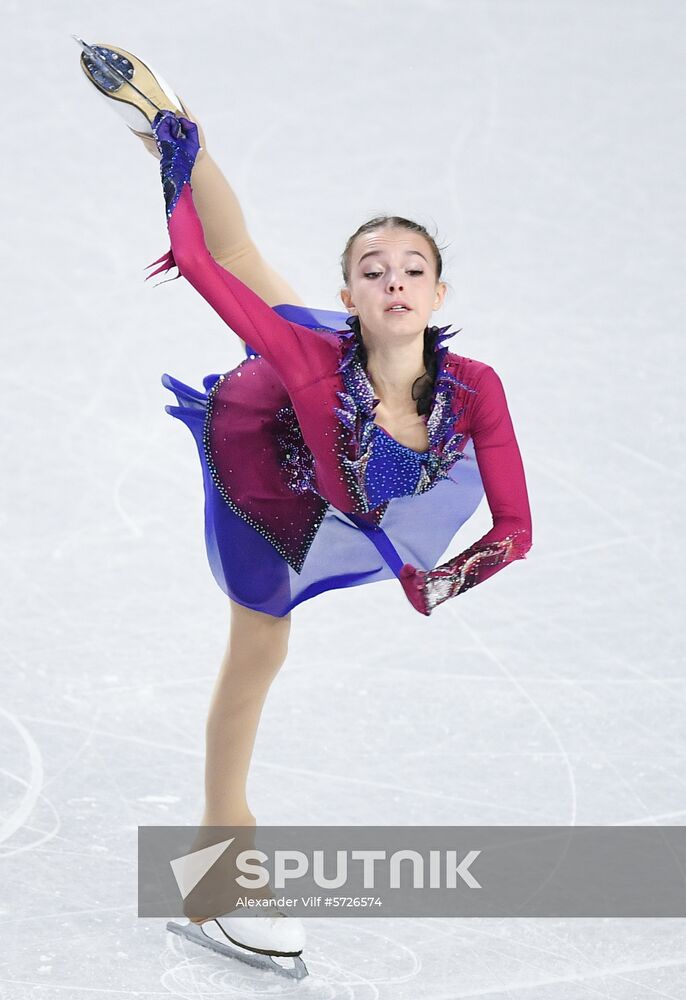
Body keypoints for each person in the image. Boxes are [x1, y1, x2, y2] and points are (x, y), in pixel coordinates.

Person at [77, 41, 532, 979]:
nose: (394, 279)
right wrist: (173, 157)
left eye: (412, 268)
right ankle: (215, 877)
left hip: (359, 475)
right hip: (268, 492)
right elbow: (211, 260)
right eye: (373, 269)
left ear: (439, 294)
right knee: (258, 658)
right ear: (351, 297)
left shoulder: (478, 387)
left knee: (269, 284)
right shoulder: (309, 356)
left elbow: (516, 527)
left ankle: (172, 120)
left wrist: (440, 582)